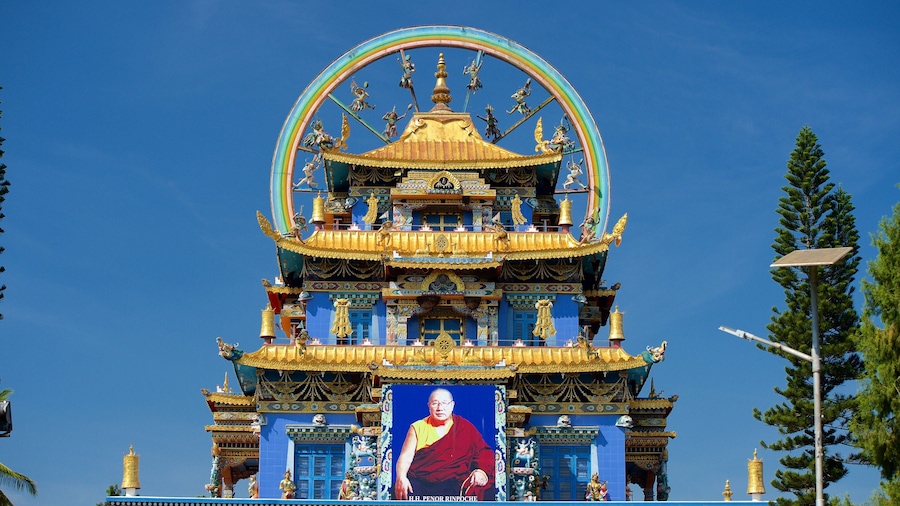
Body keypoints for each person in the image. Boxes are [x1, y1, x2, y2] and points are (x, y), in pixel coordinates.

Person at [393, 388, 494, 500]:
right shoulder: (418, 427)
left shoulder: (464, 427)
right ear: (429, 406)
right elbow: (405, 456)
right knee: (404, 490)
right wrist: (401, 477)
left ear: (452, 405)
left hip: (453, 481)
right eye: (435, 403)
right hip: (421, 481)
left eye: (444, 403)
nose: (440, 408)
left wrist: (481, 471)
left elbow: (484, 452)